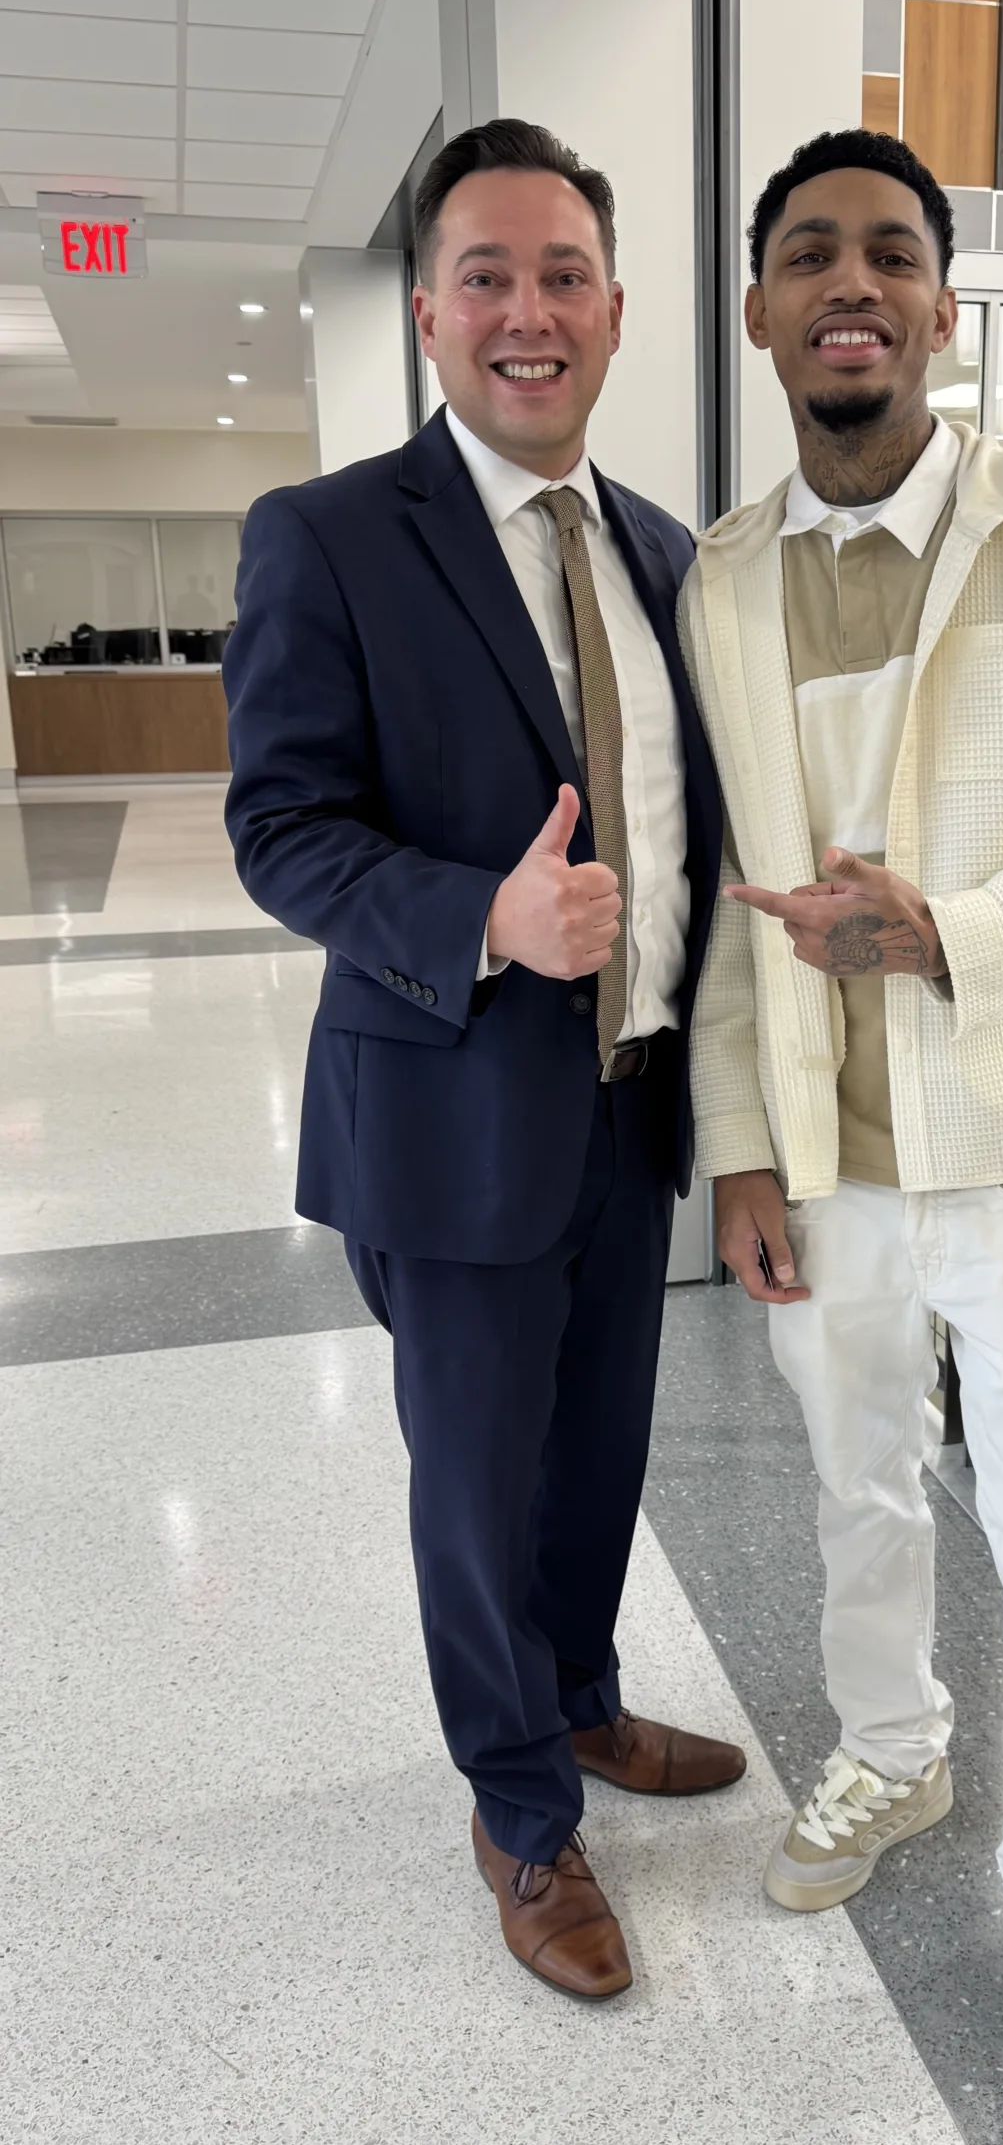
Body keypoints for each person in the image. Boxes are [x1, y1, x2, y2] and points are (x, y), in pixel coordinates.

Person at [682, 129, 1003, 2125]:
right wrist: (741, 1133)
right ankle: (894, 1747)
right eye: (810, 251)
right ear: (760, 312)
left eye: (892, 254)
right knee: (856, 1490)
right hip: (827, 1152)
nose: (852, 281)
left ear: (940, 311)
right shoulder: (726, 575)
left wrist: (946, 929)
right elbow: (733, 891)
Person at [223, 118, 742, 2005]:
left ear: (613, 310)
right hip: (451, 1111)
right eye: (490, 279)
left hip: (634, 1102)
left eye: (567, 277)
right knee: (475, 1480)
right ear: (433, 315)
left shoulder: (667, 554)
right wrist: (481, 920)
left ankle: (584, 1699)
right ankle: (519, 1813)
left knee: (599, 1452)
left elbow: (690, 830)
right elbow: (281, 828)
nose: (532, 313)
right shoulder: (334, 536)